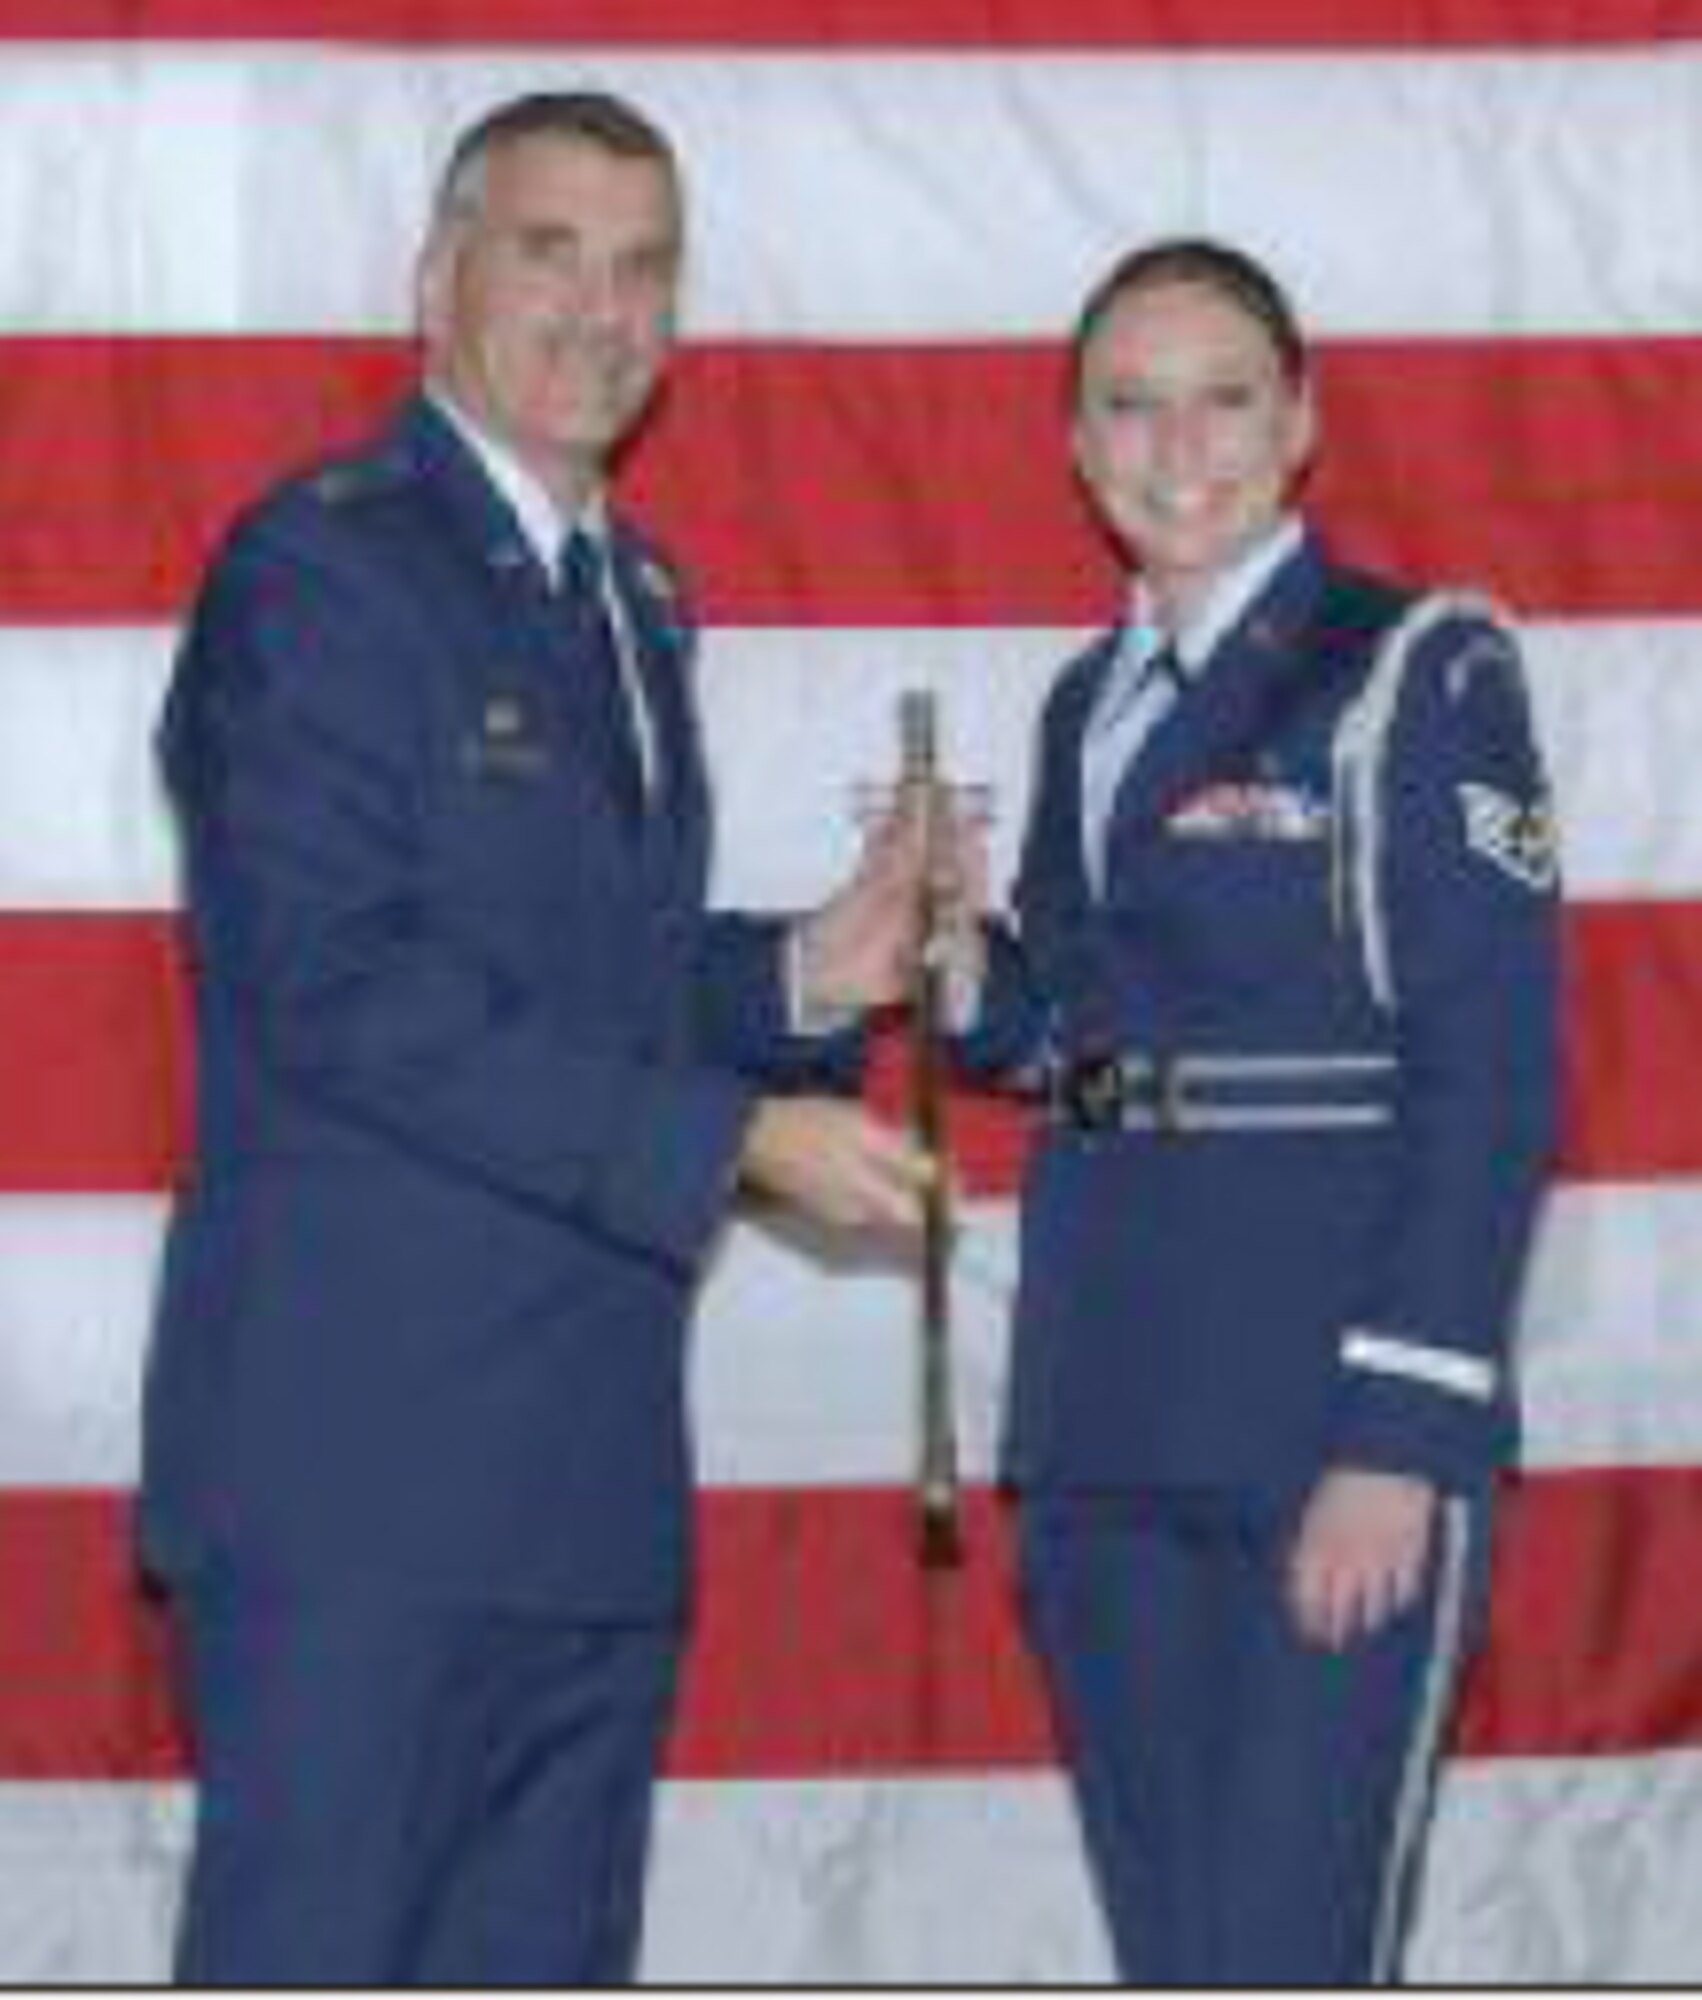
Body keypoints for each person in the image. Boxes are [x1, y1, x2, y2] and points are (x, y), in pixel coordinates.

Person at [138, 90, 935, 1987]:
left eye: (644, 265)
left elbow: (595, 978)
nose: (602, 307)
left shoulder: (633, 598)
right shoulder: (326, 569)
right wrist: (731, 1139)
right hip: (364, 1489)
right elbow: (340, 989)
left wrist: (815, 972)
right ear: (437, 279)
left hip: (580, 1491)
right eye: (548, 250)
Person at [949, 238, 1561, 1983]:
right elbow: (1065, 1033)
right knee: (1180, 1955)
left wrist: (1398, 1436)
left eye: (1223, 399)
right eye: (1128, 407)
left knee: (1289, 1952)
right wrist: (937, 953)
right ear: (1074, 445)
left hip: (1319, 1429)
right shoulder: (1090, 703)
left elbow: (1494, 1072)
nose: (1177, 447)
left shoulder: (1406, 672)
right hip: (1105, 1432)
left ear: (1298, 424)